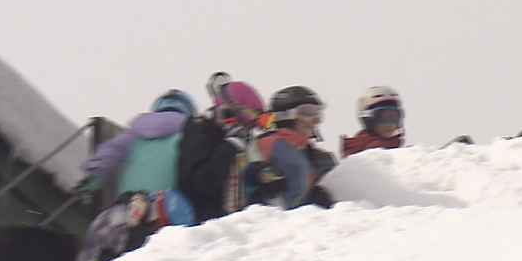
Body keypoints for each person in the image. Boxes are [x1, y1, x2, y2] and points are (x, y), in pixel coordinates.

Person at [75, 89, 196, 202]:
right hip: (171, 204)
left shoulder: (135, 133)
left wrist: (93, 178)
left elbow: (111, 151)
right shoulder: (192, 134)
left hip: (130, 200)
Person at [176, 72, 265, 222]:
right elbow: (203, 184)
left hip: (232, 228)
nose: (244, 131)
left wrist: (259, 180)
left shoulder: (243, 146)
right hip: (199, 227)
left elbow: (241, 191)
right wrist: (230, 146)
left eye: (249, 127)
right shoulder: (200, 134)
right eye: (239, 122)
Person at [251, 86, 337, 209]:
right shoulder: (267, 144)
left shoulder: (311, 153)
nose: (315, 120)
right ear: (285, 115)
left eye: (317, 114)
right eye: (307, 113)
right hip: (271, 219)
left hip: (302, 221)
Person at [340, 86, 405, 157]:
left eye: (395, 116)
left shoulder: (400, 153)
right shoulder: (358, 156)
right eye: (382, 117)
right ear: (367, 119)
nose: (390, 123)